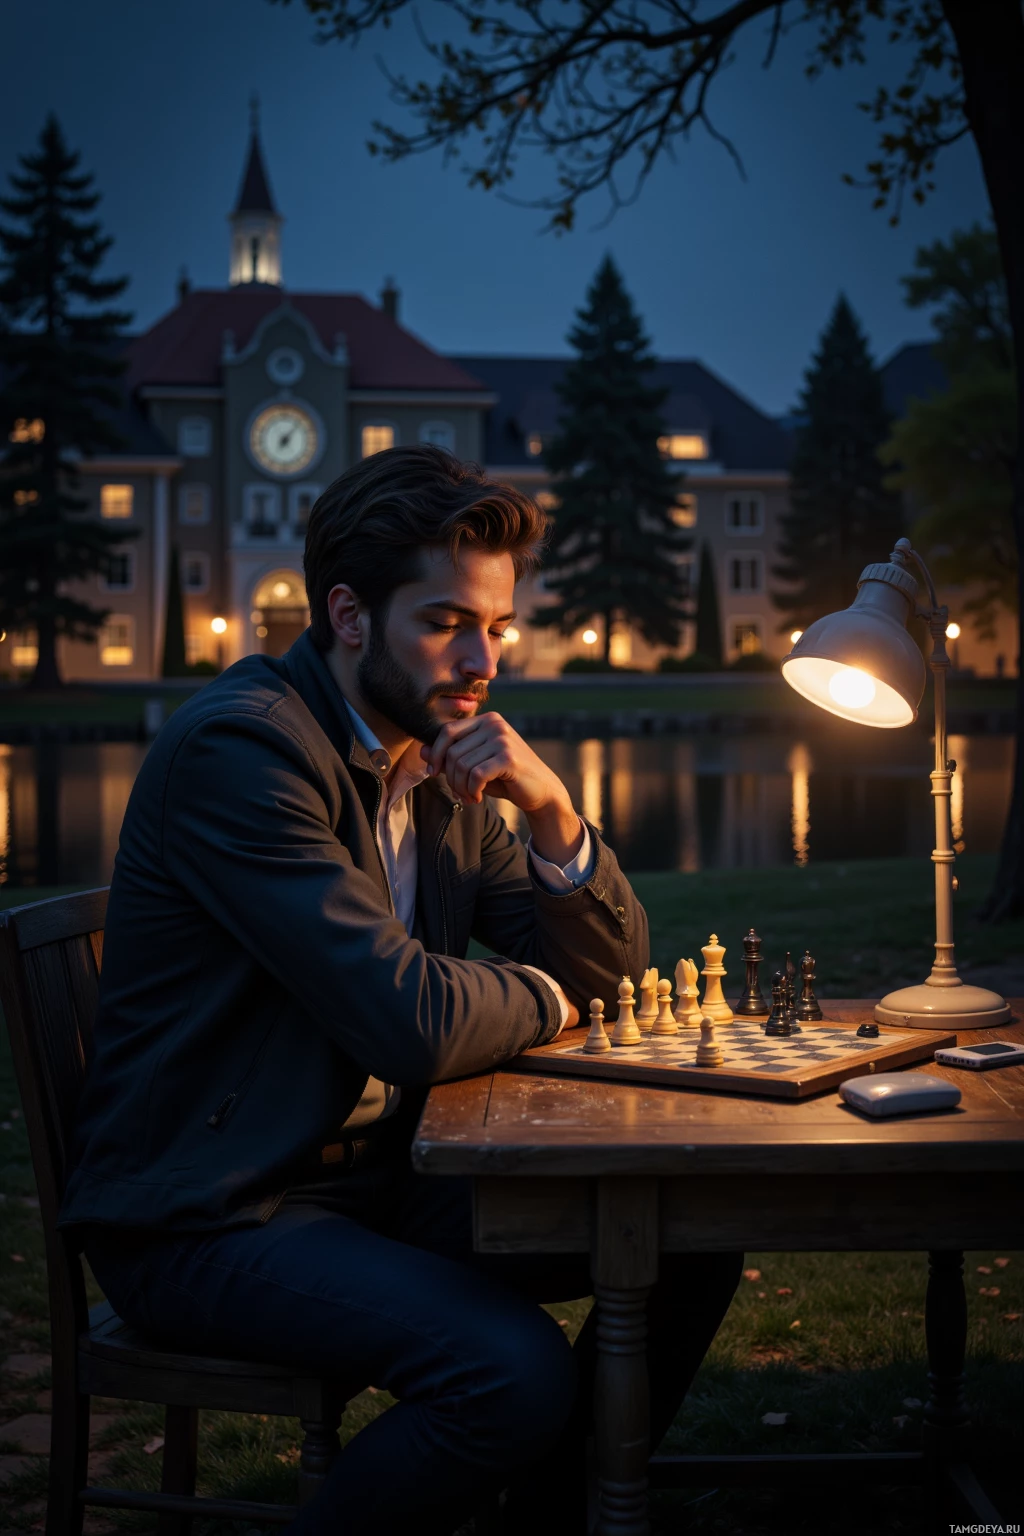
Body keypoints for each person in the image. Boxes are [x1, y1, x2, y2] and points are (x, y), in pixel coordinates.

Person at [61, 446, 741, 1535]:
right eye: (444, 622)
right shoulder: (242, 753)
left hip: (373, 1174)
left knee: (686, 1232)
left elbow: (605, 973)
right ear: (348, 613)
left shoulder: (442, 755)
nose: (481, 660)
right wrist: (549, 998)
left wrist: (556, 812)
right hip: (212, 1210)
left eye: (499, 626)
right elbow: (409, 1020)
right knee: (508, 1372)